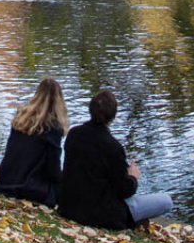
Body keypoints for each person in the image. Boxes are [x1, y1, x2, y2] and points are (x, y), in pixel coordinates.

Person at [58, 89, 172, 230]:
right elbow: (124, 191)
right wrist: (133, 177)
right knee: (166, 201)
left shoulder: (74, 134)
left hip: (70, 207)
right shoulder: (113, 147)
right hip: (101, 214)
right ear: (113, 116)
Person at [0, 78, 68, 207]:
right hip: (29, 186)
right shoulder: (52, 128)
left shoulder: (21, 118)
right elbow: (53, 169)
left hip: (6, 179)